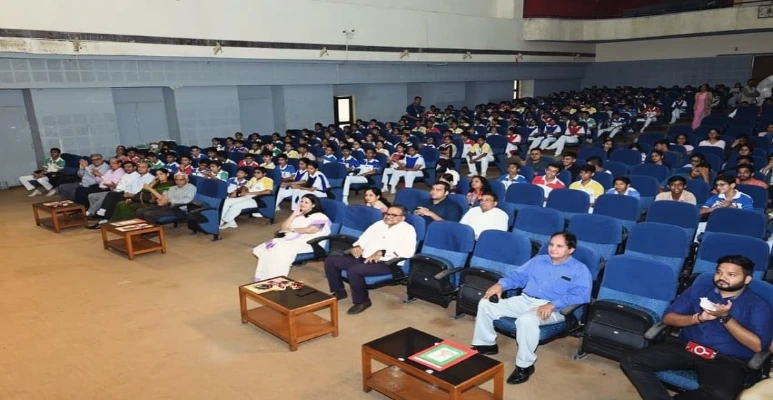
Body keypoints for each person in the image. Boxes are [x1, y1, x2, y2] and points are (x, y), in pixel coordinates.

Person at [620, 255, 772, 400]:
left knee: (721, 395)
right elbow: (669, 318)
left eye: (731, 274)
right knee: (631, 361)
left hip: (726, 358)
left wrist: (725, 318)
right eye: (719, 272)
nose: (722, 277)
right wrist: (698, 318)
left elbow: (758, 345)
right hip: (686, 346)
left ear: (747, 279)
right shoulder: (698, 290)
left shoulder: (758, 306)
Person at [471, 232, 592, 385]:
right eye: (551, 244)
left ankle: (524, 366)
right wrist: (500, 285)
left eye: (559, 246)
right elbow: (517, 277)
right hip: (525, 300)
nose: (553, 249)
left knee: (526, 320)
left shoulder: (579, 269)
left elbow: (581, 295)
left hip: (556, 308)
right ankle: (486, 345)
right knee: (486, 303)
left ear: (571, 249)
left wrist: (553, 304)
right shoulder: (538, 260)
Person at [323, 205, 417, 315]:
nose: (389, 217)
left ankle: (362, 301)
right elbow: (364, 238)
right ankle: (339, 291)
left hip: (388, 263)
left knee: (354, 270)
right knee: (331, 260)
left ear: (403, 218)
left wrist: (383, 252)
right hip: (365, 257)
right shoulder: (378, 224)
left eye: (394, 215)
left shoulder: (408, 230)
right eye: (387, 214)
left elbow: (408, 251)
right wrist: (358, 246)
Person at [252, 194, 332, 281]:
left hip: (310, 243)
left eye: (306, 202)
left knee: (279, 249)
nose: (302, 204)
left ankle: (275, 280)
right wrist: (294, 214)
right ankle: (264, 277)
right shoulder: (300, 215)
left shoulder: (319, 216)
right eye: (301, 201)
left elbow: (312, 230)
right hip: (295, 240)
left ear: (313, 205)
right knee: (269, 249)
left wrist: (292, 230)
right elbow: (284, 228)